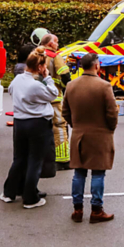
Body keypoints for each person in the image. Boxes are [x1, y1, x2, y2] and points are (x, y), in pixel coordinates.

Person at [62, 53, 118, 224]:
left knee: (79, 173)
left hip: (79, 134)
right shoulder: (104, 86)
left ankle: (77, 209)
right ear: (96, 66)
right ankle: (96, 210)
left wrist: (76, 126)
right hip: (100, 135)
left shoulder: (71, 85)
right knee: (98, 173)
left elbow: (65, 112)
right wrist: (110, 128)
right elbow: (112, 112)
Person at [2, 50, 59, 209]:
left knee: (19, 159)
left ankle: (9, 192)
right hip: (38, 124)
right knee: (35, 160)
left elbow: (11, 91)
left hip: (20, 123)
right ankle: (30, 198)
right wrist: (47, 77)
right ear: (40, 67)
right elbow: (53, 94)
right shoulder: (35, 85)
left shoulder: (17, 80)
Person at [40, 33, 73, 170]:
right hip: (54, 98)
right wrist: (66, 88)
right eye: (56, 41)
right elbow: (65, 76)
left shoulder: (35, 55)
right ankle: (63, 160)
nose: (58, 44)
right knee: (59, 126)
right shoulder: (54, 56)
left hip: (36, 98)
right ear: (50, 44)